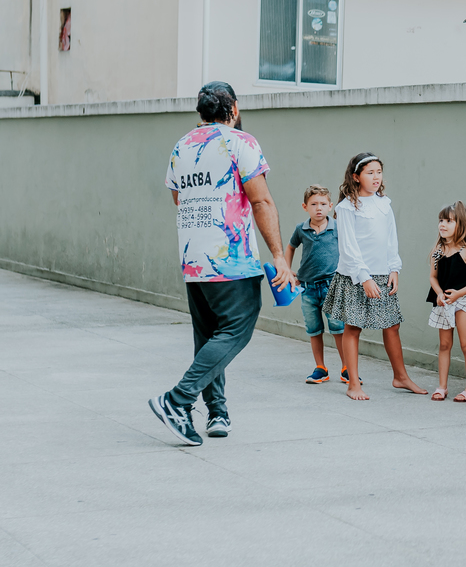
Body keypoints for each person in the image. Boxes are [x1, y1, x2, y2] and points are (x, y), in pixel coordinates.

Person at [149, 81, 295, 446]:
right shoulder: (240, 142)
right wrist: (279, 255)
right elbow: (261, 202)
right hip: (230, 259)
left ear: (201, 111)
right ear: (234, 109)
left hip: (194, 259)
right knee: (237, 329)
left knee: (209, 336)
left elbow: (177, 199)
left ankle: (217, 411)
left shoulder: (182, 146)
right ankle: (177, 400)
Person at [322, 152, 426, 401]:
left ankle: (400, 377)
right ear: (356, 177)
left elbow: (391, 238)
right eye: (370, 173)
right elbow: (348, 247)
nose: (376, 177)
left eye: (379, 172)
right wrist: (364, 277)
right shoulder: (346, 207)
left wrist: (394, 268)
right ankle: (353, 383)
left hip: (382, 273)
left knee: (392, 325)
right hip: (356, 276)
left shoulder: (384, 203)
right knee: (353, 327)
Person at [285, 185, 346, 385]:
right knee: (314, 329)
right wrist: (287, 270)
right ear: (305, 207)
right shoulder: (300, 229)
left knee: (338, 328)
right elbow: (290, 247)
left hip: (332, 286)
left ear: (330, 206)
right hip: (308, 288)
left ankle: (347, 368)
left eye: (322, 204)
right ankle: (321, 368)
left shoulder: (338, 227)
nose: (318, 208)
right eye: (313, 204)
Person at [427, 201, 466, 402]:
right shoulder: (437, 250)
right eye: (441, 220)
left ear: (461, 224)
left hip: (464, 300)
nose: (442, 224)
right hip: (444, 301)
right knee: (444, 344)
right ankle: (442, 387)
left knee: (465, 344)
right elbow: (433, 277)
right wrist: (439, 293)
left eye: (448, 221)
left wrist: (459, 294)